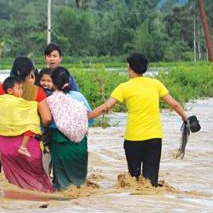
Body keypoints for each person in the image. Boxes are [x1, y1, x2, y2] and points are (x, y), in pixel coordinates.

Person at [88, 53, 188, 187]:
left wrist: (87, 117)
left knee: (133, 180)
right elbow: (174, 104)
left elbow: (105, 107)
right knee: (150, 183)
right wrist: (185, 118)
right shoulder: (156, 84)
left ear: (130, 67)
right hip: (154, 138)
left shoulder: (124, 87)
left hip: (133, 139)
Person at [0, 57, 53, 193]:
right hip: (28, 144)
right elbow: (47, 119)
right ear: (30, 73)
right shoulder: (36, 91)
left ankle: (17, 203)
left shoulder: (2, 88)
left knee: (14, 184)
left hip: (6, 144)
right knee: (38, 182)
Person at [46, 67, 92, 189]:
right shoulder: (79, 96)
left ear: (53, 83)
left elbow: (45, 121)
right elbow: (90, 119)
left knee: (61, 185)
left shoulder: (50, 100)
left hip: (60, 142)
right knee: (79, 183)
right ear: (69, 80)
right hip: (80, 144)